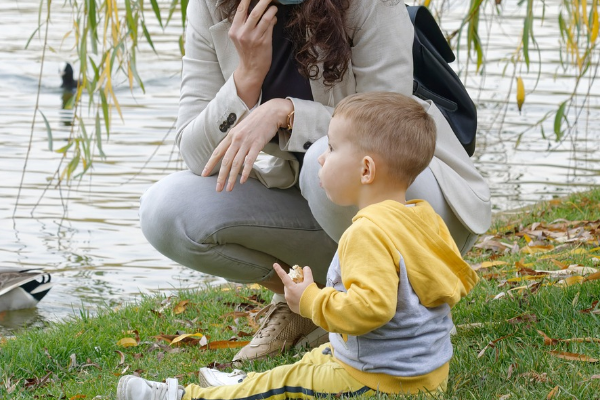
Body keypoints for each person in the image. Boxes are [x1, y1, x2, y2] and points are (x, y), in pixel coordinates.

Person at [139, 0, 491, 363]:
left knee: (328, 159)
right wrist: (245, 79)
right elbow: (197, 155)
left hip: (416, 201)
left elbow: (389, 130)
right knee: (165, 211)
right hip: (316, 198)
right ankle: (309, 298)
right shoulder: (212, 5)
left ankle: (406, 309)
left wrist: (285, 112)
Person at [117, 92, 479, 400]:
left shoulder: (367, 232)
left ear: (366, 171)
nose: (321, 156)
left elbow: (372, 310)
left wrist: (309, 300)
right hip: (425, 374)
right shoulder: (421, 216)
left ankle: (182, 396)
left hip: (381, 382)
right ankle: (244, 383)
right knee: (319, 355)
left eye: (333, 149)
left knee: (286, 382)